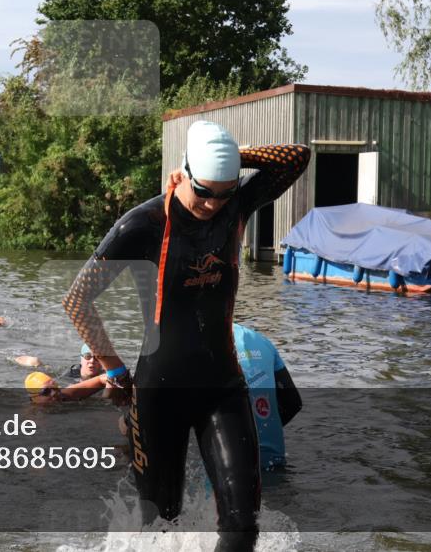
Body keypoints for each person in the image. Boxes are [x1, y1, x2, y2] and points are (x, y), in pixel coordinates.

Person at [62, 120, 310, 552]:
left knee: (242, 525)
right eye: (205, 192)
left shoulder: (236, 205)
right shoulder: (141, 224)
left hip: (222, 386)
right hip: (160, 392)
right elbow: (77, 300)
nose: (214, 204)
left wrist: (237, 156)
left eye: (224, 192)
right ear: (183, 172)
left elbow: (298, 157)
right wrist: (116, 370)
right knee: (161, 524)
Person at [233, 324, 301, 470]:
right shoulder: (260, 339)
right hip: (274, 460)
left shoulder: (197, 346)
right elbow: (293, 403)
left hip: (231, 467)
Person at [24, 371, 108, 405]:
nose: (53, 393)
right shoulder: (32, 417)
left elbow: (101, 379)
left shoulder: (64, 396)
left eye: (55, 388)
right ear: (33, 397)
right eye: (46, 391)